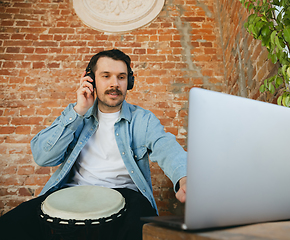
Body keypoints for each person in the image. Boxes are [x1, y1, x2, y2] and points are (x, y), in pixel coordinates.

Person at [0, 49, 187, 240]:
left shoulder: (143, 119)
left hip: (127, 196)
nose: (115, 83)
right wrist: (79, 110)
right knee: (9, 226)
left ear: (129, 82)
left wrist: (184, 177)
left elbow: (165, 145)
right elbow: (42, 156)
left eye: (121, 77)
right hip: (73, 191)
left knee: (144, 229)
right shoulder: (76, 116)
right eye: (106, 76)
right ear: (91, 79)